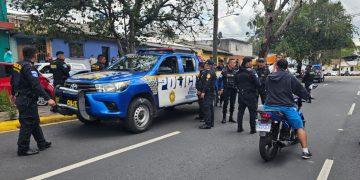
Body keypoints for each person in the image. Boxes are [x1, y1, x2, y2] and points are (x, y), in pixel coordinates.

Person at [12, 47, 56, 156]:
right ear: (34, 55)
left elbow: (13, 80)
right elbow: (36, 85)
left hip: (22, 98)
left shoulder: (18, 64)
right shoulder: (29, 67)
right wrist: (48, 98)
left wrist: (13, 94)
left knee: (34, 121)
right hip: (27, 99)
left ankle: (42, 143)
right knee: (27, 124)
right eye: (36, 54)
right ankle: (22, 149)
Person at [264, 59, 312, 159]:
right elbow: (299, 89)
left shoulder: (269, 77)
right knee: (299, 126)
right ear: (287, 67)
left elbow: (267, 89)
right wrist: (307, 96)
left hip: (268, 106)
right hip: (285, 107)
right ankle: (305, 151)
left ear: (276, 66)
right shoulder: (290, 77)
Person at [235, 56, 260, 134]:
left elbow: (235, 83)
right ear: (247, 63)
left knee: (240, 111)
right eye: (251, 62)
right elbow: (258, 83)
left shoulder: (238, 72)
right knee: (252, 112)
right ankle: (253, 129)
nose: (252, 64)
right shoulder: (252, 72)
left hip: (241, 94)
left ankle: (239, 127)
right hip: (251, 95)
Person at [198, 60, 216, 129]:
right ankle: (211, 123)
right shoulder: (209, 71)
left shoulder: (209, 72)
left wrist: (203, 92)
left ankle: (207, 123)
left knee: (206, 107)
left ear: (208, 65)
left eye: (205, 64)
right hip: (210, 92)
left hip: (208, 92)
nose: (204, 65)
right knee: (210, 108)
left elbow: (207, 83)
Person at [219, 59, 237, 124]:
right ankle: (224, 118)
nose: (234, 64)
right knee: (225, 104)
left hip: (234, 89)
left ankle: (231, 117)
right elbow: (220, 80)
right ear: (229, 63)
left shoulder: (236, 71)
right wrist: (220, 88)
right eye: (232, 63)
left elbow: (238, 80)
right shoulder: (224, 71)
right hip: (226, 89)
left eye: (234, 63)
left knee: (232, 104)